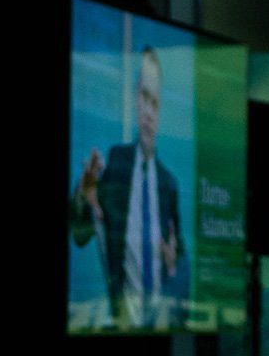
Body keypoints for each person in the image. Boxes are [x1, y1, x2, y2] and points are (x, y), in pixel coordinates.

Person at [70, 46, 184, 330]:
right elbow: (80, 235)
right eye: (145, 98)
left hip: (161, 325)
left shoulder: (169, 184)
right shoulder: (116, 164)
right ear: (135, 99)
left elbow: (180, 259)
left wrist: (174, 267)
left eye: (155, 103)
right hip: (121, 324)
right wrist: (83, 197)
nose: (148, 112)